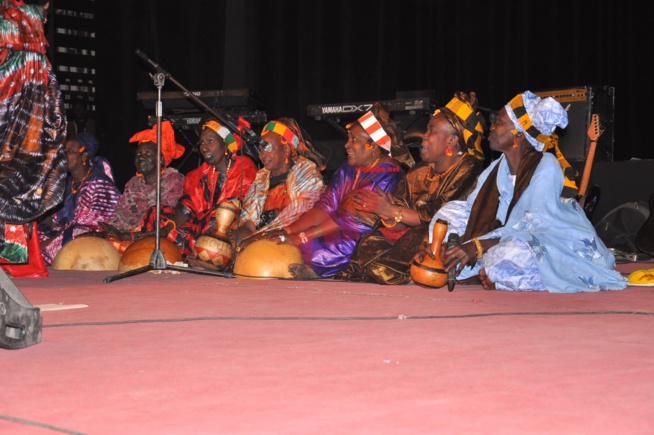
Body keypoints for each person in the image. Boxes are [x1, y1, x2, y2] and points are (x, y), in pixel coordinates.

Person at [425, 90, 627, 293]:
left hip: (548, 237)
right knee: (449, 214)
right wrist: (451, 243)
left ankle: (491, 272)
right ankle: (473, 267)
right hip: (495, 237)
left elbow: (531, 227)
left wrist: (475, 246)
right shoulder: (497, 166)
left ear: (519, 135)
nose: (492, 127)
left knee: (517, 253)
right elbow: (473, 210)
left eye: (500, 123)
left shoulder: (546, 166)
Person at [337, 92, 485, 284]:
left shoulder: (468, 167)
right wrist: (387, 215)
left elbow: (440, 215)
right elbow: (399, 212)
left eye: (432, 130)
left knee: (421, 237)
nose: (424, 135)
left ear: (452, 140)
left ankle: (417, 272)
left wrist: (393, 211)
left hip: (446, 234)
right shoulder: (419, 170)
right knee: (369, 242)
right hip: (411, 233)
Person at [266, 103, 405, 278]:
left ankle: (316, 270)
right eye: (348, 138)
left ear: (373, 146)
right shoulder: (348, 169)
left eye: (354, 139)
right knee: (284, 242)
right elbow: (325, 206)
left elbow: (349, 220)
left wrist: (301, 237)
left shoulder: (387, 173)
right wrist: (287, 230)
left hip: (366, 235)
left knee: (312, 250)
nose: (346, 145)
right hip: (338, 228)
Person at [0, 0, 67, 269]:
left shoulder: (24, 61)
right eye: (44, 17)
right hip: (24, 143)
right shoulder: (37, 63)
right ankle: (14, 258)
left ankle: (12, 257)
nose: (46, 22)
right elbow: (54, 110)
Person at [140, 118, 257, 256]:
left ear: (225, 145)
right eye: (202, 143)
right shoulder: (204, 172)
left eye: (210, 141)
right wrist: (169, 227)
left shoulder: (244, 167)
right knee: (155, 213)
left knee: (217, 215)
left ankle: (182, 247)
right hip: (199, 226)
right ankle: (178, 244)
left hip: (229, 226)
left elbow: (236, 206)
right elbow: (191, 204)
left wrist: (204, 220)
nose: (204, 147)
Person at [230, 118, 326, 248]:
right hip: (259, 244)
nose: (262, 155)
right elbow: (249, 223)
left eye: (267, 148)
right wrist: (230, 238)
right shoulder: (261, 177)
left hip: (293, 245)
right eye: (261, 150)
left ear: (286, 150)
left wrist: (259, 237)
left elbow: (298, 219)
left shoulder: (307, 173)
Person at [98, 121, 185, 253]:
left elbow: (163, 218)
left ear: (161, 159)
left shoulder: (172, 179)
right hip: (128, 235)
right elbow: (120, 214)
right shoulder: (133, 183)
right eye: (138, 154)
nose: (141, 158)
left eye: (148, 154)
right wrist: (108, 230)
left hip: (155, 238)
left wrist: (129, 235)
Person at [39, 133, 121, 264]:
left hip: (91, 236)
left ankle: (41, 255)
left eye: (70, 151)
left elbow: (90, 225)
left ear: (83, 156)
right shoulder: (67, 184)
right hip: (65, 233)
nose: (63, 156)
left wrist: (47, 243)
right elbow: (55, 221)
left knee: (75, 233)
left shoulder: (99, 183)